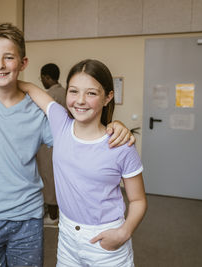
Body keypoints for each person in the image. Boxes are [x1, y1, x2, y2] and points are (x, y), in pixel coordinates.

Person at [0, 23, 134, 266]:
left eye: (8, 58)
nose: (0, 64)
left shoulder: (38, 111)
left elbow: (78, 133)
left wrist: (114, 123)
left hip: (28, 218)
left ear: (23, 63)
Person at [17, 59, 147, 266]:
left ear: (108, 98)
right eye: (74, 91)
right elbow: (29, 87)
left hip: (106, 238)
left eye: (92, 93)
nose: (80, 100)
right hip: (67, 234)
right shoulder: (60, 123)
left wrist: (123, 232)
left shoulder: (121, 144)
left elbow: (138, 200)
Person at [38, 63, 65, 226]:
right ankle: (56, 212)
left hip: (49, 143)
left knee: (48, 179)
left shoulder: (49, 95)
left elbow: (40, 119)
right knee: (56, 178)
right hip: (61, 142)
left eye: (42, 78)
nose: (41, 82)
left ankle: (53, 217)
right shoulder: (64, 92)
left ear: (47, 77)